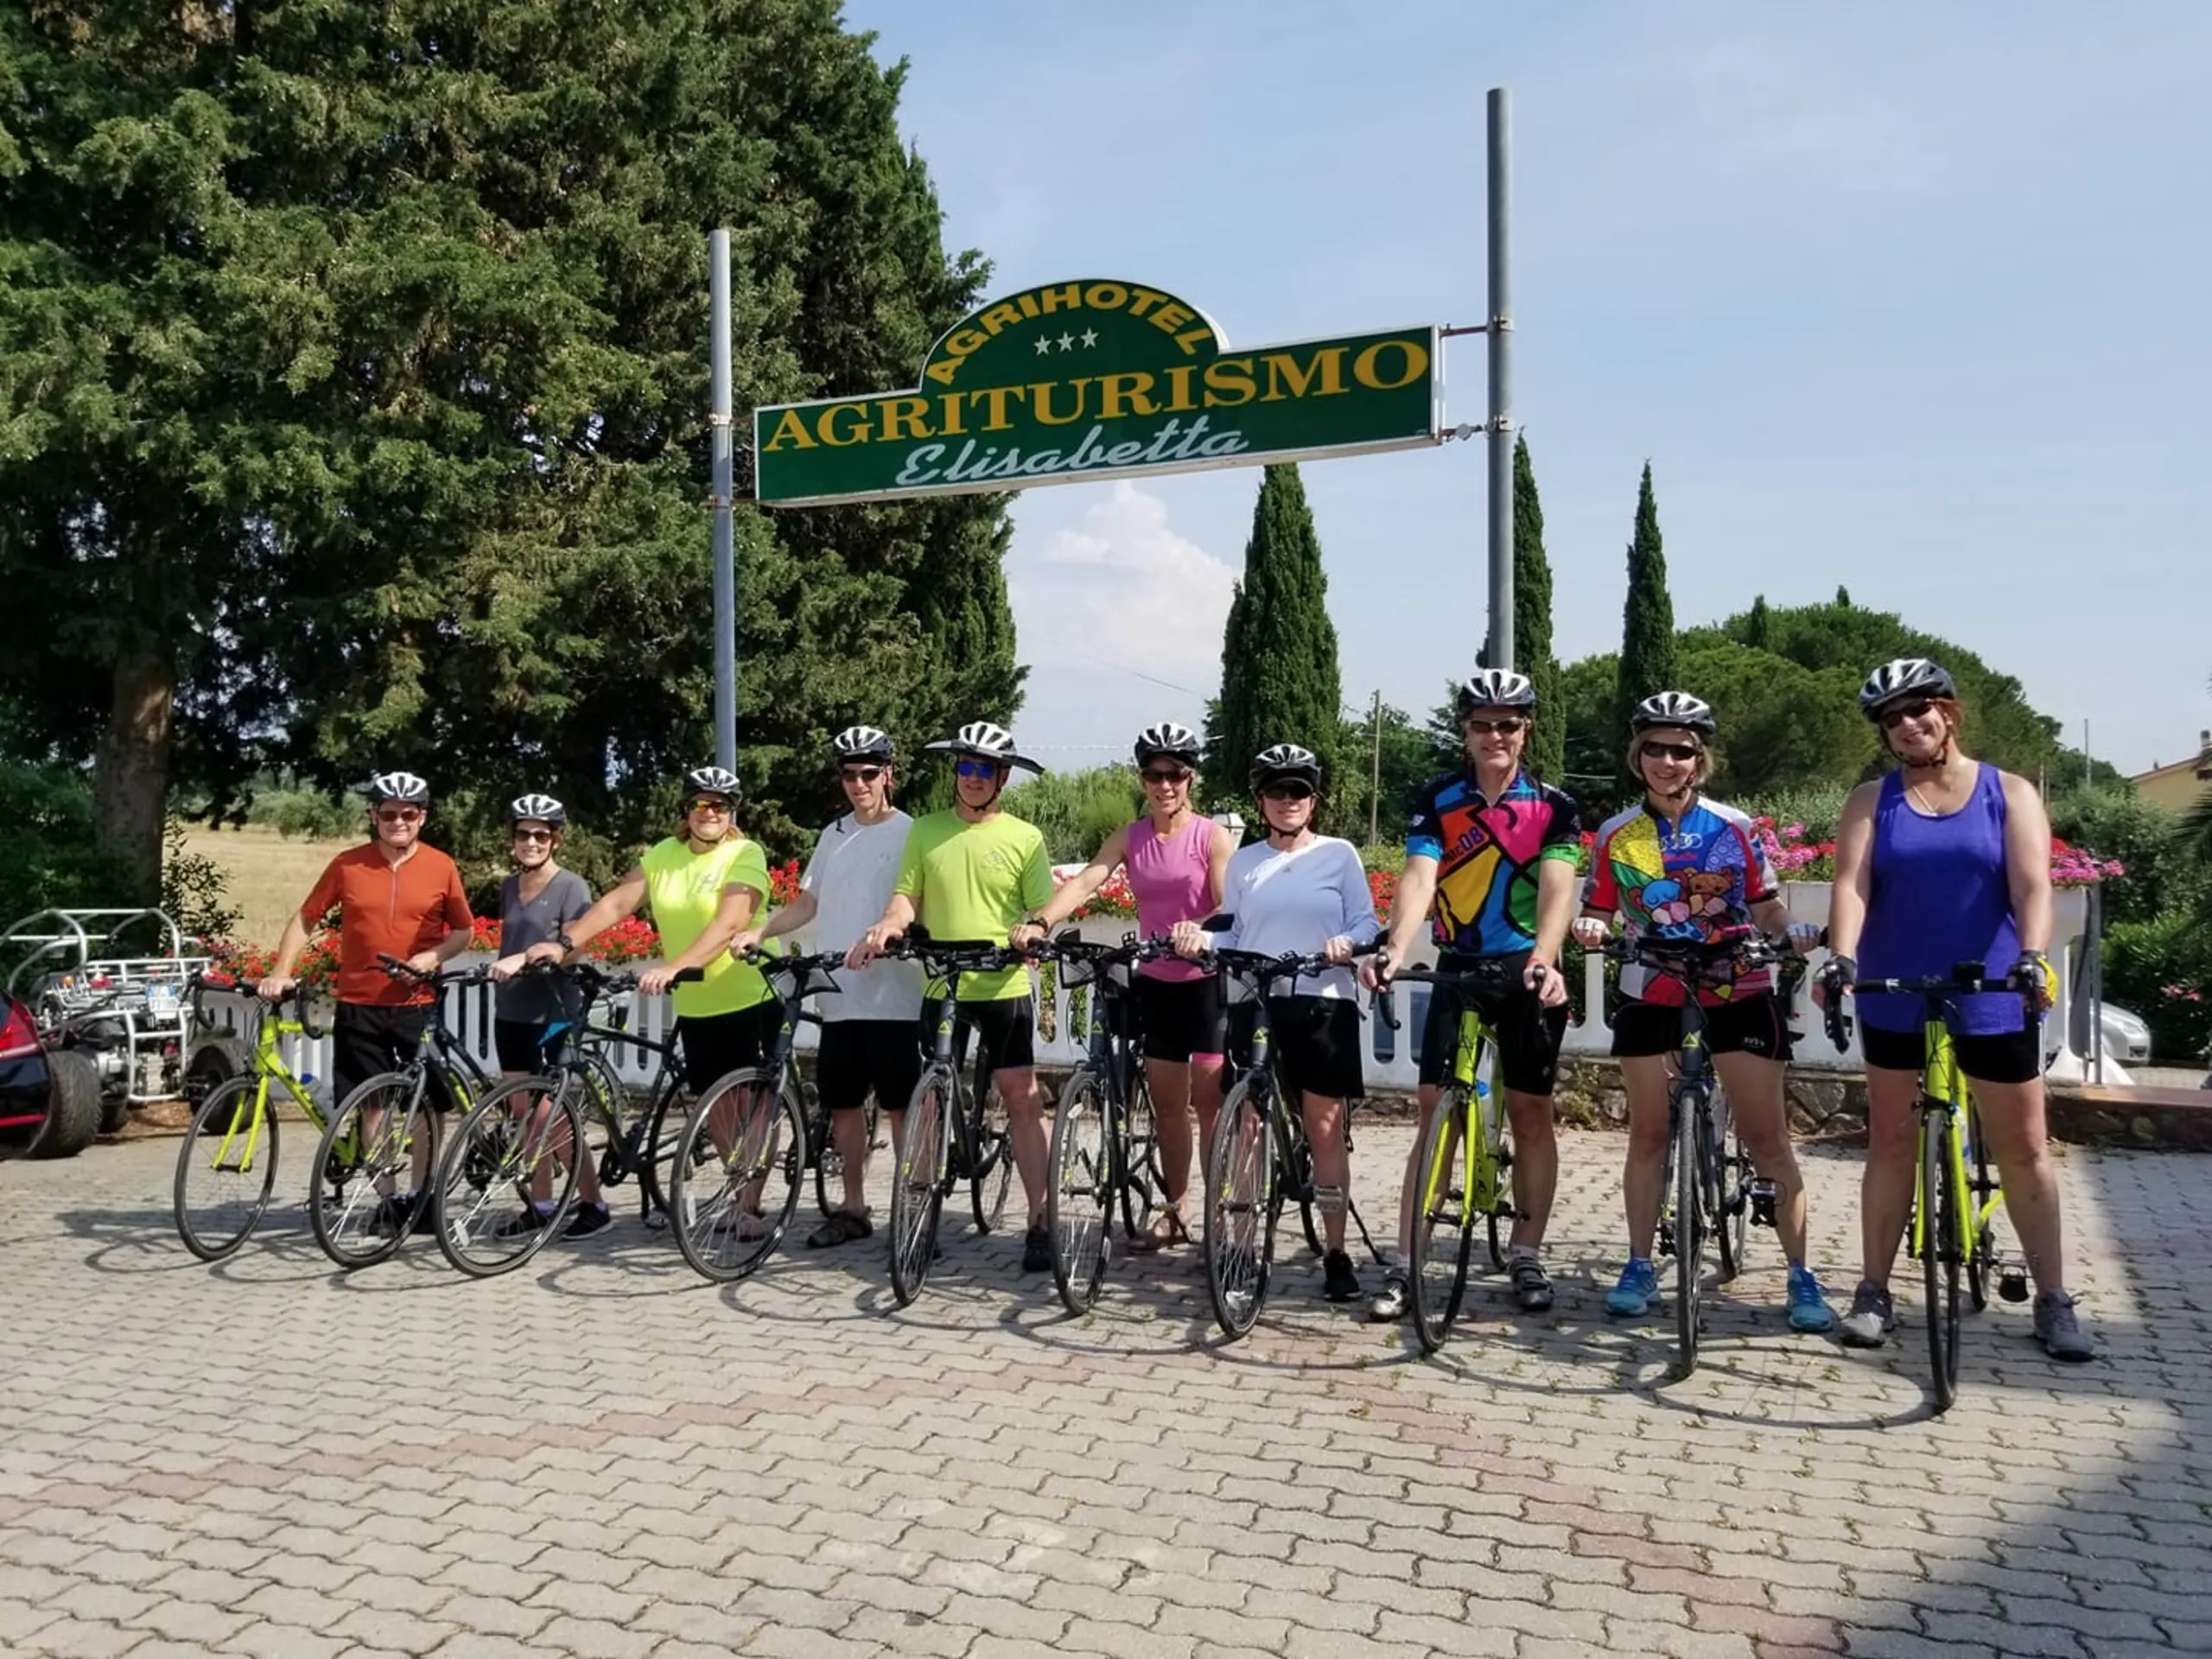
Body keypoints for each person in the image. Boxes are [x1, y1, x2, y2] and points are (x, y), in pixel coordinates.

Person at [1822, 658, 2093, 1361]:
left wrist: (2031, 955)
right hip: (1895, 985)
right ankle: (1874, 1291)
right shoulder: (1871, 800)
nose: (1907, 725)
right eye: (1892, 719)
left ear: (1948, 712)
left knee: (2023, 1148)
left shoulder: (2009, 792)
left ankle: (2054, 1298)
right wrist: (1842, 956)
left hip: (1993, 988)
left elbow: (2032, 887)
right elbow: (1850, 885)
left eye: (1919, 710)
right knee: (1889, 1142)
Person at [1573, 692, 1834, 1332]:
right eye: (1655, 749)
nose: (1667, 761)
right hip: (1652, 986)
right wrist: (1591, 925)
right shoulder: (1615, 834)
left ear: (1700, 760)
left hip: (1736, 984)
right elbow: (1600, 907)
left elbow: (1765, 904)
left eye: (1681, 751)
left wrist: (1791, 930)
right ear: (1638, 756)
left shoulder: (1734, 827)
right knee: (1648, 1136)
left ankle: (1801, 1274)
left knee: (1768, 1139)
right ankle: (1639, 1263)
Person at [1361, 670, 1580, 1320]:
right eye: (1482, 724)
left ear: (1525, 731)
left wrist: (1544, 958)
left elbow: (1557, 889)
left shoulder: (1554, 806)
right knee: (1435, 1107)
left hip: (1523, 967)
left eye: (1507, 724)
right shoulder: (1439, 797)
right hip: (1459, 964)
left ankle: (1527, 1252)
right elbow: (1419, 879)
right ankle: (1407, 1261)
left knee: (1531, 1112)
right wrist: (1396, 947)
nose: (1495, 735)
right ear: (1466, 731)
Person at [1014, 721, 1236, 1252]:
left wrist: (1198, 929)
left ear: (1190, 779)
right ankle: (1177, 1208)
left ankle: (1221, 1215)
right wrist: (1041, 922)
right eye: (1154, 775)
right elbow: (1086, 880)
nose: (1165, 786)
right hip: (1157, 981)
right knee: (1168, 1106)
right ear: (1143, 780)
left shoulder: (1211, 836)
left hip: (1205, 981)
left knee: (1210, 1104)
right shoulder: (1131, 836)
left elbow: (1229, 904)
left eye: (1175, 775)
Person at [846, 721, 1058, 1272]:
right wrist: (889, 924)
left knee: (1021, 1096)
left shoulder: (1024, 837)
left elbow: (1042, 908)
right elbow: (906, 897)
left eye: (985, 769)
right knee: (929, 1100)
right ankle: (919, 1216)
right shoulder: (927, 831)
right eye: (966, 766)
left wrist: (1034, 933)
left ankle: (1041, 1219)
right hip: (943, 980)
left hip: (1002, 980)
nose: (973, 777)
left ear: (1002, 778)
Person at [1173, 744, 1379, 1303]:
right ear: (1260, 800)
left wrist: (1348, 942)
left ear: (1314, 800)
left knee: (1324, 1124)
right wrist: (1201, 938)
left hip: (1322, 999)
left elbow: (1366, 921)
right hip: (1258, 999)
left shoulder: (1339, 855)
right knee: (1247, 1122)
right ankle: (1241, 1246)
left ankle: (1336, 1252)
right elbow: (1237, 933)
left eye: (1299, 791)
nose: (1288, 800)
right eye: (1276, 791)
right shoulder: (1245, 861)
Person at [734, 727, 925, 1249]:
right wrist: (761, 931)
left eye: (869, 773)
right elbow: (808, 902)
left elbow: (915, 903)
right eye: (849, 774)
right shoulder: (832, 834)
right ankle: (854, 1207)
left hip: (894, 996)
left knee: (901, 1107)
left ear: (888, 775)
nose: (858, 783)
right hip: (840, 996)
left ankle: (915, 1210)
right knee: (843, 1104)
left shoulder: (911, 832)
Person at [257, 771, 474, 1231]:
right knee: (372, 1105)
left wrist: (432, 956)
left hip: (418, 1001)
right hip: (359, 1000)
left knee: (426, 1107)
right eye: (389, 814)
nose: (399, 822)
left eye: (408, 814)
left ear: (422, 818)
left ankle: (421, 1195)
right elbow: (305, 919)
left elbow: (463, 930)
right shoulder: (347, 864)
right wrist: (281, 971)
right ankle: (388, 1199)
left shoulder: (441, 866)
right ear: (374, 816)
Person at [532, 766, 777, 1117]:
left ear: (731, 813)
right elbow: (617, 904)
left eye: (720, 806)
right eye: (701, 804)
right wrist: (563, 946)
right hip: (696, 1003)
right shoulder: (665, 854)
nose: (710, 812)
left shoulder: (745, 853)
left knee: (752, 1109)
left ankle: (760, 1158)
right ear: (686, 809)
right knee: (717, 1112)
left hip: (749, 997)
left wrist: (674, 967)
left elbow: (731, 923)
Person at [485, 794, 608, 1238]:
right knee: (523, 1115)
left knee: (549, 1117)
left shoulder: (571, 886)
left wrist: (528, 958)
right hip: (511, 1010)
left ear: (556, 839)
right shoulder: (509, 886)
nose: (531, 842)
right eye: (523, 834)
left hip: (554, 1013)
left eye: (541, 835)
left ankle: (594, 1203)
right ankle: (540, 1204)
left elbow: (575, 947)